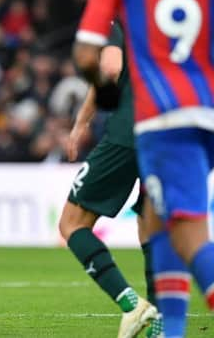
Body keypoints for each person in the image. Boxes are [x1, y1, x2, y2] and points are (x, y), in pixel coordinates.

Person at [74, 0, 214, 336]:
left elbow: (88, 54)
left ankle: (162, 321)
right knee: (158, 222)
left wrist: (107, 98)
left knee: (187, 232)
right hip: (205, 115)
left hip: (157, 118)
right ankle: (170, 330)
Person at [60, 22, 160, 338]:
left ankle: (131, 303)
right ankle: (159, 325)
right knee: (151, 226)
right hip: (173, 133)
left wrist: (81, 124)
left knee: (71, 224)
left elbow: (111, 68)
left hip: (128, 132)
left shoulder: (124, 15)